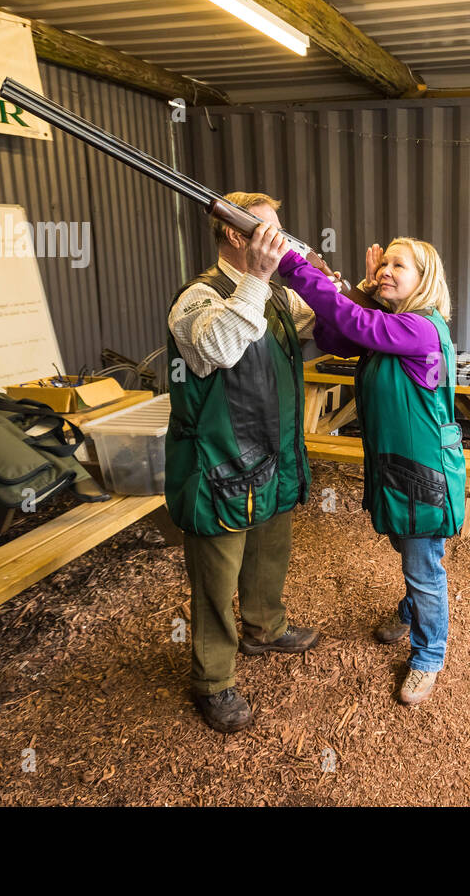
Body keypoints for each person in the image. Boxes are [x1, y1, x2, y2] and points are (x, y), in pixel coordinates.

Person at [275, 237, 466, 706]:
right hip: (396, 464)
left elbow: (349, 320)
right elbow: (333, 337)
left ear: (425, 280)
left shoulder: (419, 329)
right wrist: (362, 288)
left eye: (399, 265)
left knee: (423, 564)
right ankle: (412, 610)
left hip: (421, 470)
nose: (386, 268)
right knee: (409, 546)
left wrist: (296, 267)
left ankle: (428, 656)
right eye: (383, 262)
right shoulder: (394, 325)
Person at [165, 192, 322, 733]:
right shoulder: (194, 300)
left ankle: (265, 627)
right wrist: (257, 278)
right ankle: (213, 680)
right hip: (217, 463)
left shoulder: (276, 295)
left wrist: (362, 288)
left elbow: (322, 318)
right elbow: (219, 348)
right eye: (270, 231)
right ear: (236, 235)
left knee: (269, 552)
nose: (283, 241)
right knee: (215, 578)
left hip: (273, 454)